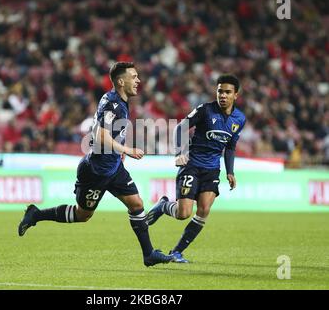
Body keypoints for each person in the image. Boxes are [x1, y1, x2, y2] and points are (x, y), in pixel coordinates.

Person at [18, 62, 173, 267]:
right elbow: (101, 135)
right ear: (121, 81)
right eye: (134, 77)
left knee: (136, 204)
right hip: (95, 171)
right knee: (83, 215)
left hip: (113, 167)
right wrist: (126, 150)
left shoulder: (118, 100)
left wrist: (120, 151)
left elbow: (114, 131)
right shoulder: (113, 104)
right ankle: (35, 214)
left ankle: (149, 254)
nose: (138, 81)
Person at [147, 74, 246, 263]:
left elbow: (230, 147)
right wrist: (179, 153)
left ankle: (176, 252)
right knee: (183, 213)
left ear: (236, 95)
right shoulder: (205, 110)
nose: (223, 95)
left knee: (204, 210)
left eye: (227, 92)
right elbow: (180, 128)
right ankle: (163, 206)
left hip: (212, 170)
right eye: (220, 91)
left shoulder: (239, 119)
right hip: (192, 165)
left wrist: (230, 171)